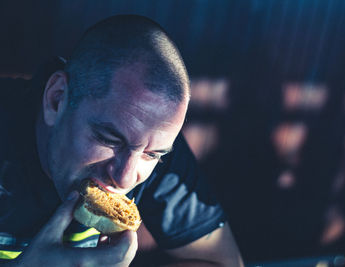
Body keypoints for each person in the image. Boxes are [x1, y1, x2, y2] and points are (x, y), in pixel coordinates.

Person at [0, 15, 243, 266]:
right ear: (57, 100)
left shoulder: (152, 140)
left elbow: (223, 262)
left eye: (152, 155)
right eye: (110, 139)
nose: (125, 178)